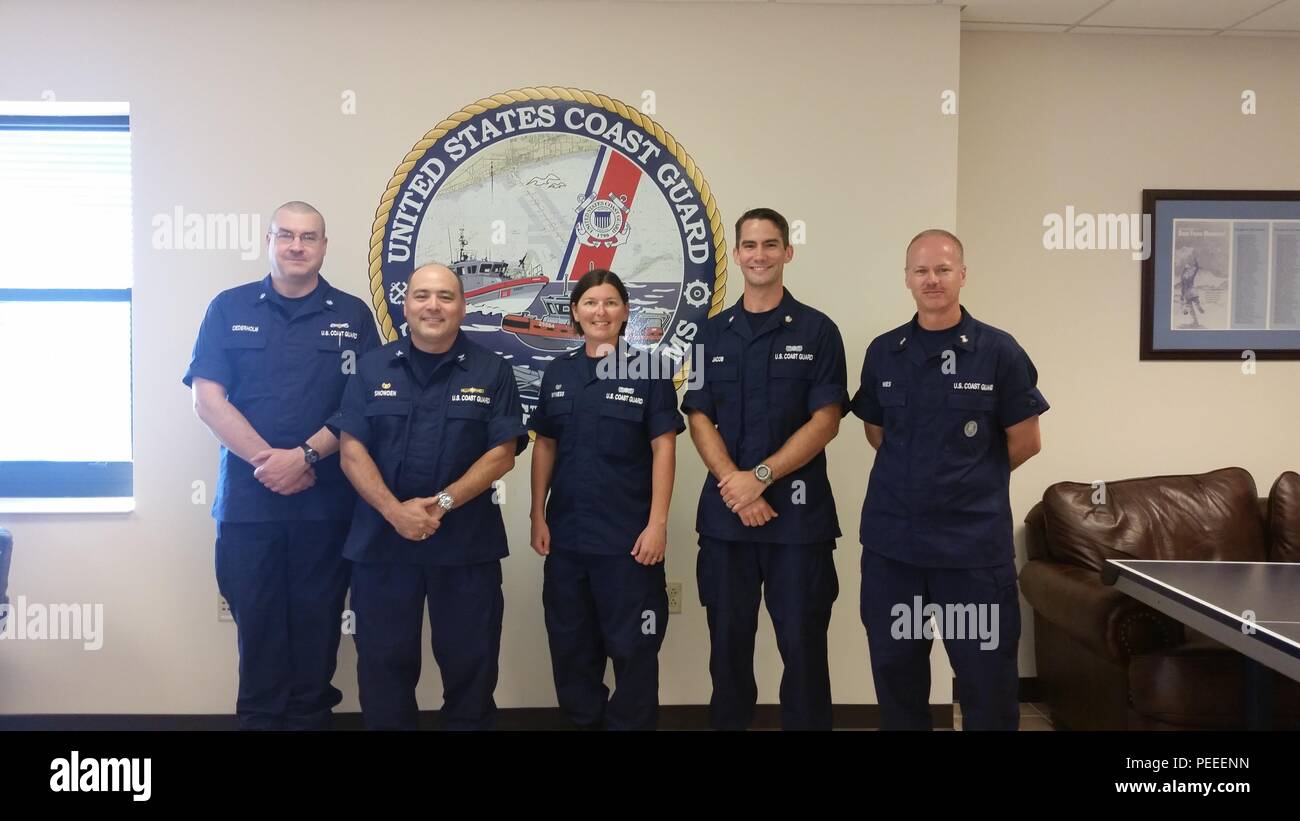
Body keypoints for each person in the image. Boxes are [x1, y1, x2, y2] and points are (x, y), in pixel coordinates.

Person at [183, 201, 378, 729]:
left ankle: (311, 720)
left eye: (308, 237)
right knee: (259, 627)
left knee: (317, 628)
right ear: (269, 241)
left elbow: (364, 404)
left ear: (323, 246)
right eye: (286, 235)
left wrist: (306, 455)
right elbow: (208, 399)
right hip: (248, 507)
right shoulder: (229, 307)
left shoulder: (352, 314)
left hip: (327, 507)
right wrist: (269, 463)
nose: (297, 246)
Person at [851, 229, 1048, 731]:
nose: (932, 280)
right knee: (897, 680)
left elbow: (1025, 442)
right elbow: (879, 434)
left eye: (942, 269)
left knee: (987, 684)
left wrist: (966, 480)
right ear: (907, 279)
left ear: (962, 274)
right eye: (921, 271)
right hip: (894, 550)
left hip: (972, 554)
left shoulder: (998, 351)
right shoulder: (884, 352)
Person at [331, 263, 527, 730]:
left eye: (444, 296)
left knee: (471, 665)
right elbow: (350, 450)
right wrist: (394, 512)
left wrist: (439, 504)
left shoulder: (492, 369)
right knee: (383, 666)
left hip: (465, 546)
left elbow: (502, 454)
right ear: (406, 305)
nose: (432, 306)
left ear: (462, 306)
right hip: (382, 545)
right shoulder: (371, 367)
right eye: (422, 296)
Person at [681, 207, 848, 730]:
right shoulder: (710, 334)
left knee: (803, 654)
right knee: (728, 653)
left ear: (788, 252)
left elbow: (826, 421)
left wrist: (760, 479)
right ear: (736, 253)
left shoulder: (819, 331)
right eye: (749, 245)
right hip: (728, 523)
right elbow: (699, 415)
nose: (759, 255)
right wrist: (737, 486)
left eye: (770, 245)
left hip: (798, 526)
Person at [528, 269, 684, 730]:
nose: (601, 311)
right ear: (575, 312)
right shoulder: (558, 373)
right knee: (572, 649)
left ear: (625, 313)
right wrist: (537, 513)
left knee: (635, 652)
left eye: (611, 302)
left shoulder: (650, 371)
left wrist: (657, 524)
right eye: (591, 302)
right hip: (568, 540)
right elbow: (545, 445)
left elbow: (665, 447)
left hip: (629, 542)